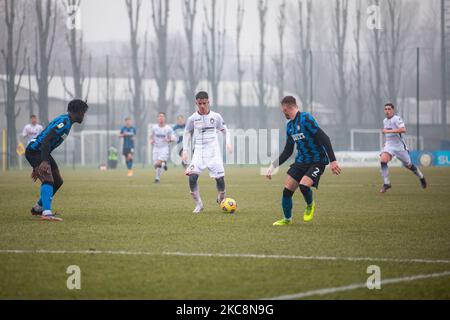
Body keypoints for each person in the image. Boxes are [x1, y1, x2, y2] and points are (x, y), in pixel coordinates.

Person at [266, 96, 341, 226]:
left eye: (284, 111)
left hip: (317, 161)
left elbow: (325, 138)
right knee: (287, 190)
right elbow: (288, 151)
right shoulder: (290, 126)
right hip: (301, 162)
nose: (283, 114)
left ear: (288, 108)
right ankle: (287, 219)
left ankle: (310, 204)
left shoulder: (306, 118)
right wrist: (273, 165)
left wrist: (332, 161)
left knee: (304, 186)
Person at [25, 99, 88, 221]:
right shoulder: (64, 122)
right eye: (83, 113)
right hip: (35, 151)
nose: (83, 116)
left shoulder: (67, 121)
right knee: (48, 179)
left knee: (58, 181)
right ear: (77, 112)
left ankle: (39, 207)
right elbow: (46, 140)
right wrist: (43, 162)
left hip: (42, 152)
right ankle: (47, 213)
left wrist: (39, 163)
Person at [182, 91, 232, 213]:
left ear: (208, 102)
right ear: (196, 103)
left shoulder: (216, 117)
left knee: (220, 179)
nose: (202, 106)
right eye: (200, 103)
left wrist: (228, 143)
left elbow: (225, 131)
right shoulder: (192, 119)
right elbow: (186, 133)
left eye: (204, 103)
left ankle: (221, 198)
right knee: (192, 178)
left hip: (213, 151)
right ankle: (199, 204)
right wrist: (185, 150)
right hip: (199, 151)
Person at [379, 103, 427, 193]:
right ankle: (387, 183)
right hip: (389, 146)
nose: (387, 111)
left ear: (392, 110)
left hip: (400, 147)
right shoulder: (385, 121)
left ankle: (421, 176)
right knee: (383, 160)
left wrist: (389, 131)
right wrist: (385, 143)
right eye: (385, 109)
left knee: (409, 165)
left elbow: (403, 130)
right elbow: (388, 135)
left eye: (389, 109)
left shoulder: (397, 119)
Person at [150, 112, 176, 183]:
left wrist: (169, 139)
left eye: (162, 116)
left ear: (165, 118)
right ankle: (164, 164)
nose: (161, 118)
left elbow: (174, 137)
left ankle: (157, 178)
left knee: (158, 163)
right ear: (157, 118)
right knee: (155, 165)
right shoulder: (154, 127)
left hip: (164, 148)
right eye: (160, 116)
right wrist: (151, 140)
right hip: (155, 148)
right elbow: (151, 136)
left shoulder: (168, 128)